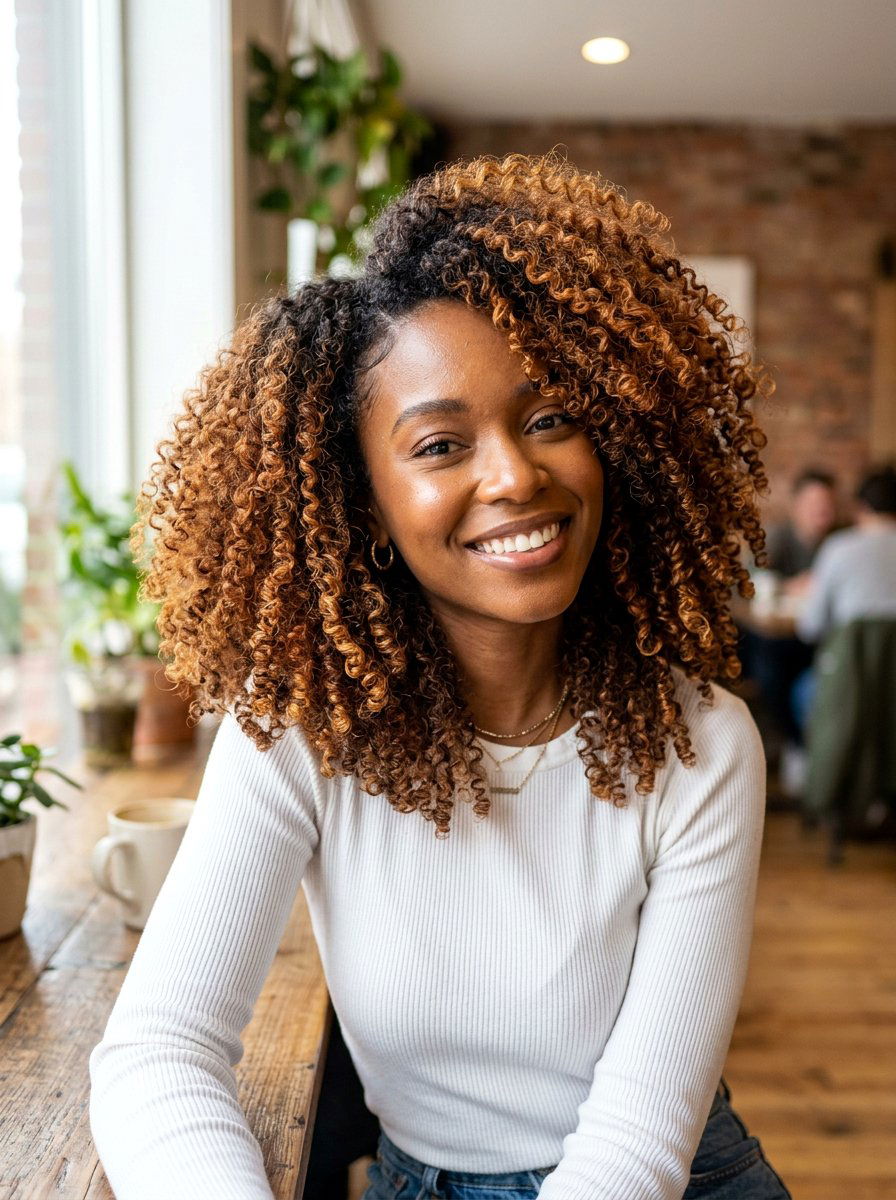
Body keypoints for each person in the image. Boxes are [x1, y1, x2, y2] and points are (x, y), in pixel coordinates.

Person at [88, 153, 792, 1200]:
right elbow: (156, 1052)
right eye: (438, 444)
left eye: (550, 416)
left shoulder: (698, 746)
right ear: (362, 502)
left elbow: (639, 1140)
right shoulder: (300, 733)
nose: (512, 475)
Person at [791, 464, 896, 732]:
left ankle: (810, 761)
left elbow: (809, 628)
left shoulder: (839, 548)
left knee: (801, 691)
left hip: (848, 684)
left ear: (861, 508)